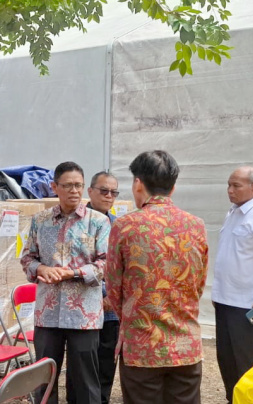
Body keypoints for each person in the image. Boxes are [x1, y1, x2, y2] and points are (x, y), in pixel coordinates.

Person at [106, 150, 209, 404]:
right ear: (172, 187)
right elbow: (198, 284)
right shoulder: (196, 225)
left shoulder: (125, 226)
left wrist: (132, 316)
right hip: (185, 344)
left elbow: (114, 288)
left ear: (138, 183)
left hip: (142, 346)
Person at [20, 162, 110, 404]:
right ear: (54, 187)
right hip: (47, 312)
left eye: (78, 185)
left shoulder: (98, 222)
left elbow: (106, 263)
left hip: (84, 314)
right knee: (43, 377)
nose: (74, 190)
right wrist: (41, 268)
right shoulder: (40, 220)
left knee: (84, 380)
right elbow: (27, 256)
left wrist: (74, 274)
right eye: (68, 185)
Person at [212, 166, 253, 403]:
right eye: (229, 185)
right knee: (227, 359)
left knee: (250, 360)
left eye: (236, 186)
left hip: (248, 303)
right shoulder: (233, 212)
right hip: (224, 300)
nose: (230, 190)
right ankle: (234, 398)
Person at [76, 171, 119, 404]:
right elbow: (77, 263)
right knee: (82, 361)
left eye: (114, 192)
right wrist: (102, 294)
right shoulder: (77, 222)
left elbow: (119, 266)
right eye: (104, 190)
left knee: (106, 360)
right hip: (84, 305)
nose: (109, 196)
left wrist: (113, 296)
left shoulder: (116, 224)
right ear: (90, 191)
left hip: (111, 310)